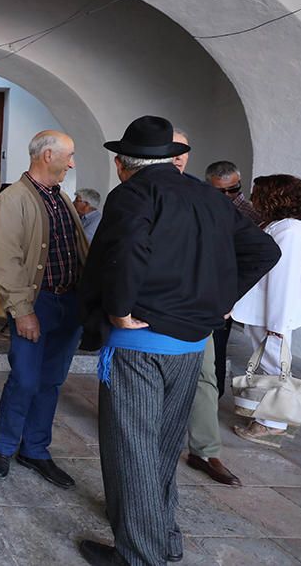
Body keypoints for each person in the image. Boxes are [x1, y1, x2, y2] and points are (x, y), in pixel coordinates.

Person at [77, 116, 279, 566]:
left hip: (142, 345)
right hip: (191, 343)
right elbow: (265, 251)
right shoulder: (208, 195)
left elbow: (129, 250)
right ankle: (164, 537)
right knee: (163, 449)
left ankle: (139, 556)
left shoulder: (132, 193)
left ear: (120, 164)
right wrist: (222, 300)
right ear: (171, 157)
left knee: (132, 450)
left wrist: (119, 310)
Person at [0, 131, 88, 488]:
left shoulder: (61, 198)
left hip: (68, 303)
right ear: (48, 155)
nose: (72, 163)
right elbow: (4, 259)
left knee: (51, 382)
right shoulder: (14, 199)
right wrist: (22, 309)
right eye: (69, 155)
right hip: (36, 303)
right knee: (26, 380)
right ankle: (4, 447)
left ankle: (35, 450)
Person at [171, 139, 246, 487]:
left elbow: (258, 251)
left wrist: (228, 296)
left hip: (201, 306)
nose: (178, 157)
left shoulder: (212, 202)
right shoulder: (151, 191)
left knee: (205, 376)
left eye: (183, 151)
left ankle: (204, 450)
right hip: (159, 304)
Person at [231, 174, 301, 448]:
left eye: (258, 194)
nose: (253, 199)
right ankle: (269, 418)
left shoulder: (289, 231)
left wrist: (276, 324)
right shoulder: (285, 226)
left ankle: (271, 424)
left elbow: (283, 280)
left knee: (272, 367)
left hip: (272, 313)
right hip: (267, 311)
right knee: (272, 364)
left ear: (273, 197)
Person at [203, 160, 260, 398]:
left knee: (217, 346)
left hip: (227, 286)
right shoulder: (202, 206)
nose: (228, 196)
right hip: (202, 281)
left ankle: (213, 395)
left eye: (233, 189)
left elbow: (260, 254)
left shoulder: (250, 213)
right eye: (221, 191)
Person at [205, 160, 262, 225]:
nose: (227, 194)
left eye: (233, 189)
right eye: (219, 191)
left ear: (239, 183)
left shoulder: (252, 215)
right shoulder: (200, 207)